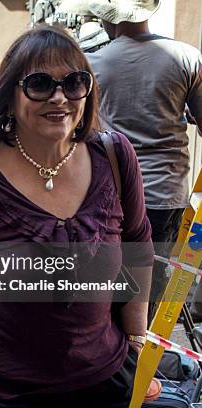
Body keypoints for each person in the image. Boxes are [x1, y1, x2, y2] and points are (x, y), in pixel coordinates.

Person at [0, 25, 154, 408]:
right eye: (41, 83)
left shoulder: (113, 155)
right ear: (10, 92)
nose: (60, 97)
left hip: (102, 381)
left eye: (74, 82)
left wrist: (138, 339)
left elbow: (139, 246)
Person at [59, 0, 202, 319]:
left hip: (110, 193)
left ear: (108, 19)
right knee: (148, 285)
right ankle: (137, 357)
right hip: (166, 192)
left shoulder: (93, 64)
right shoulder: (187, 57)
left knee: (106, 283)